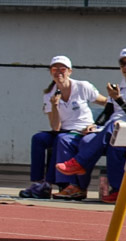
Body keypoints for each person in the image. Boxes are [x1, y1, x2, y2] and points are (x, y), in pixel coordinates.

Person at [54, 47, 126, 201]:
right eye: (123, 63)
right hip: (113, 129)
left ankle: (80, 163)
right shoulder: (118, 87)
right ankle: (79, 186)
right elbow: (107, 112)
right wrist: (94, 125)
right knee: (86, 139)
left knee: (114, 126)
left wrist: (119, 99)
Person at [20, 55, 107, 199]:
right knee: (38, 139)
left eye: (63, 69)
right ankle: (39, 183)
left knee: (62, 139)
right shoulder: (49, 94)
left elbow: (107, 103)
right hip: (63, 130)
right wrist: (54, 105)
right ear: (50, 71)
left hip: (83, 131)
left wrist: (99, 125)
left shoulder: (82, 86)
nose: (59, 72)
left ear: (70, 71)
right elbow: (55, 127)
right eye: (55, 69)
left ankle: (64, 184)